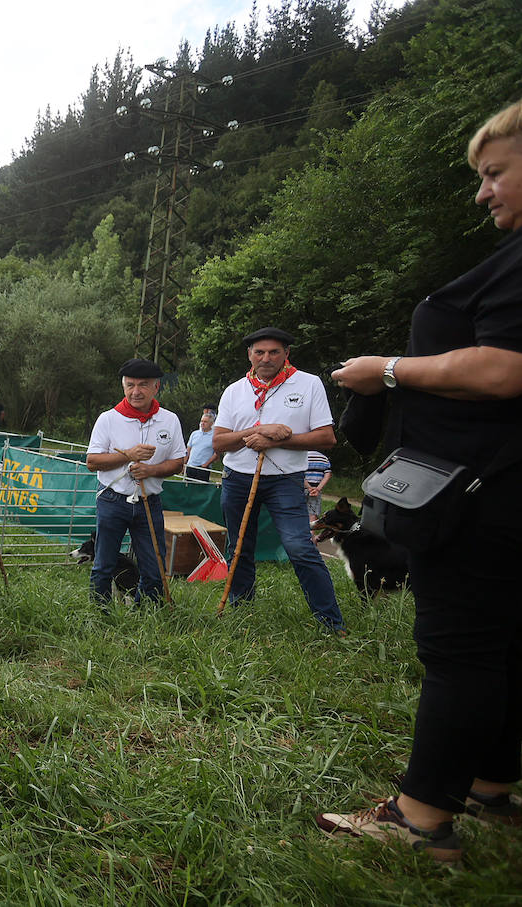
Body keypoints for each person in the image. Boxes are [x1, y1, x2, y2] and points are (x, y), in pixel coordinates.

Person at [317, 100, 522, 861]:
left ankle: (421, 816)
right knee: (500, 644)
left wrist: (388, 370)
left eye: (494, 172)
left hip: (480, 491)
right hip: (494, 485)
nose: (482, 192)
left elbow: (504, 368)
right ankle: (492, 783)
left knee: (461, 647)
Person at [211, 327, 346, 635]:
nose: (266, 358)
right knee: (239, 547)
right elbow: (219, 443)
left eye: (274, 352)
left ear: (287, 354)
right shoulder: (235, 390)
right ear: (250, 355)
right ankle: (241, 613)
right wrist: (262, 431)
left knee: (299, 546)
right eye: (259, 352)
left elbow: (326, 437)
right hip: (237, 479)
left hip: (286, 480)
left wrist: (279, 440)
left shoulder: (309, 384)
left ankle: (331, 622)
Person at [84, 359, 187, 606]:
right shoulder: (108, 419)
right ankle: (99, 613)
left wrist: (151, 470)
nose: (136, 391)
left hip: (149, 502)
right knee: (104, 563)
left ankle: (147, 613)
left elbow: (177, 462)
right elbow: (92, 461)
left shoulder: (169, 420)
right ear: (123, 386)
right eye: (130, 385)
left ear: (156, 387)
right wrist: (127, 455)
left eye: (143, 385)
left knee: (154, 565)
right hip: (112, 500)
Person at [184, 405, 219, 480]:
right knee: (188, 489)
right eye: (201, 421)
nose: (202, 423)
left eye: (205, 422)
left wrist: (205, 465)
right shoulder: (194, 434)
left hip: (203, 469)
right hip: (190, 467)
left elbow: (217, 454)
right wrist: (184, 463)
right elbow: (188, 450)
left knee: (201, 490)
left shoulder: (215, 436)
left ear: (211, 423)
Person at [303, 450, 331, 526]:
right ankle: (311, 535)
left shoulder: (302, 457)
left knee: (298, 510)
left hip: (301, 489)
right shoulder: (324, 458)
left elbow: (299, 474)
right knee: (313, 513)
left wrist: (309, 487)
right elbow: (327, 475)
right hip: (316, 491)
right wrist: (318, 489)